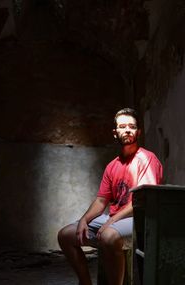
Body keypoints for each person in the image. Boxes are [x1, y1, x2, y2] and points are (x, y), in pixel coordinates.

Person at [58, 108, 163, 285]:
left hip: (139, 218)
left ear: (138, 131)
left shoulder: (146, 158)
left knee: (108, 236)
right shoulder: (112, 166)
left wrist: (110, 222)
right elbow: (101, 201)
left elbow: (141, 200)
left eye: (132, 126)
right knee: (65, 235)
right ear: (115, 133)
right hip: (115, 218)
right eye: (122, 126)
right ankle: (85, 282)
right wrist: (84, 219)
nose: (127, 130)